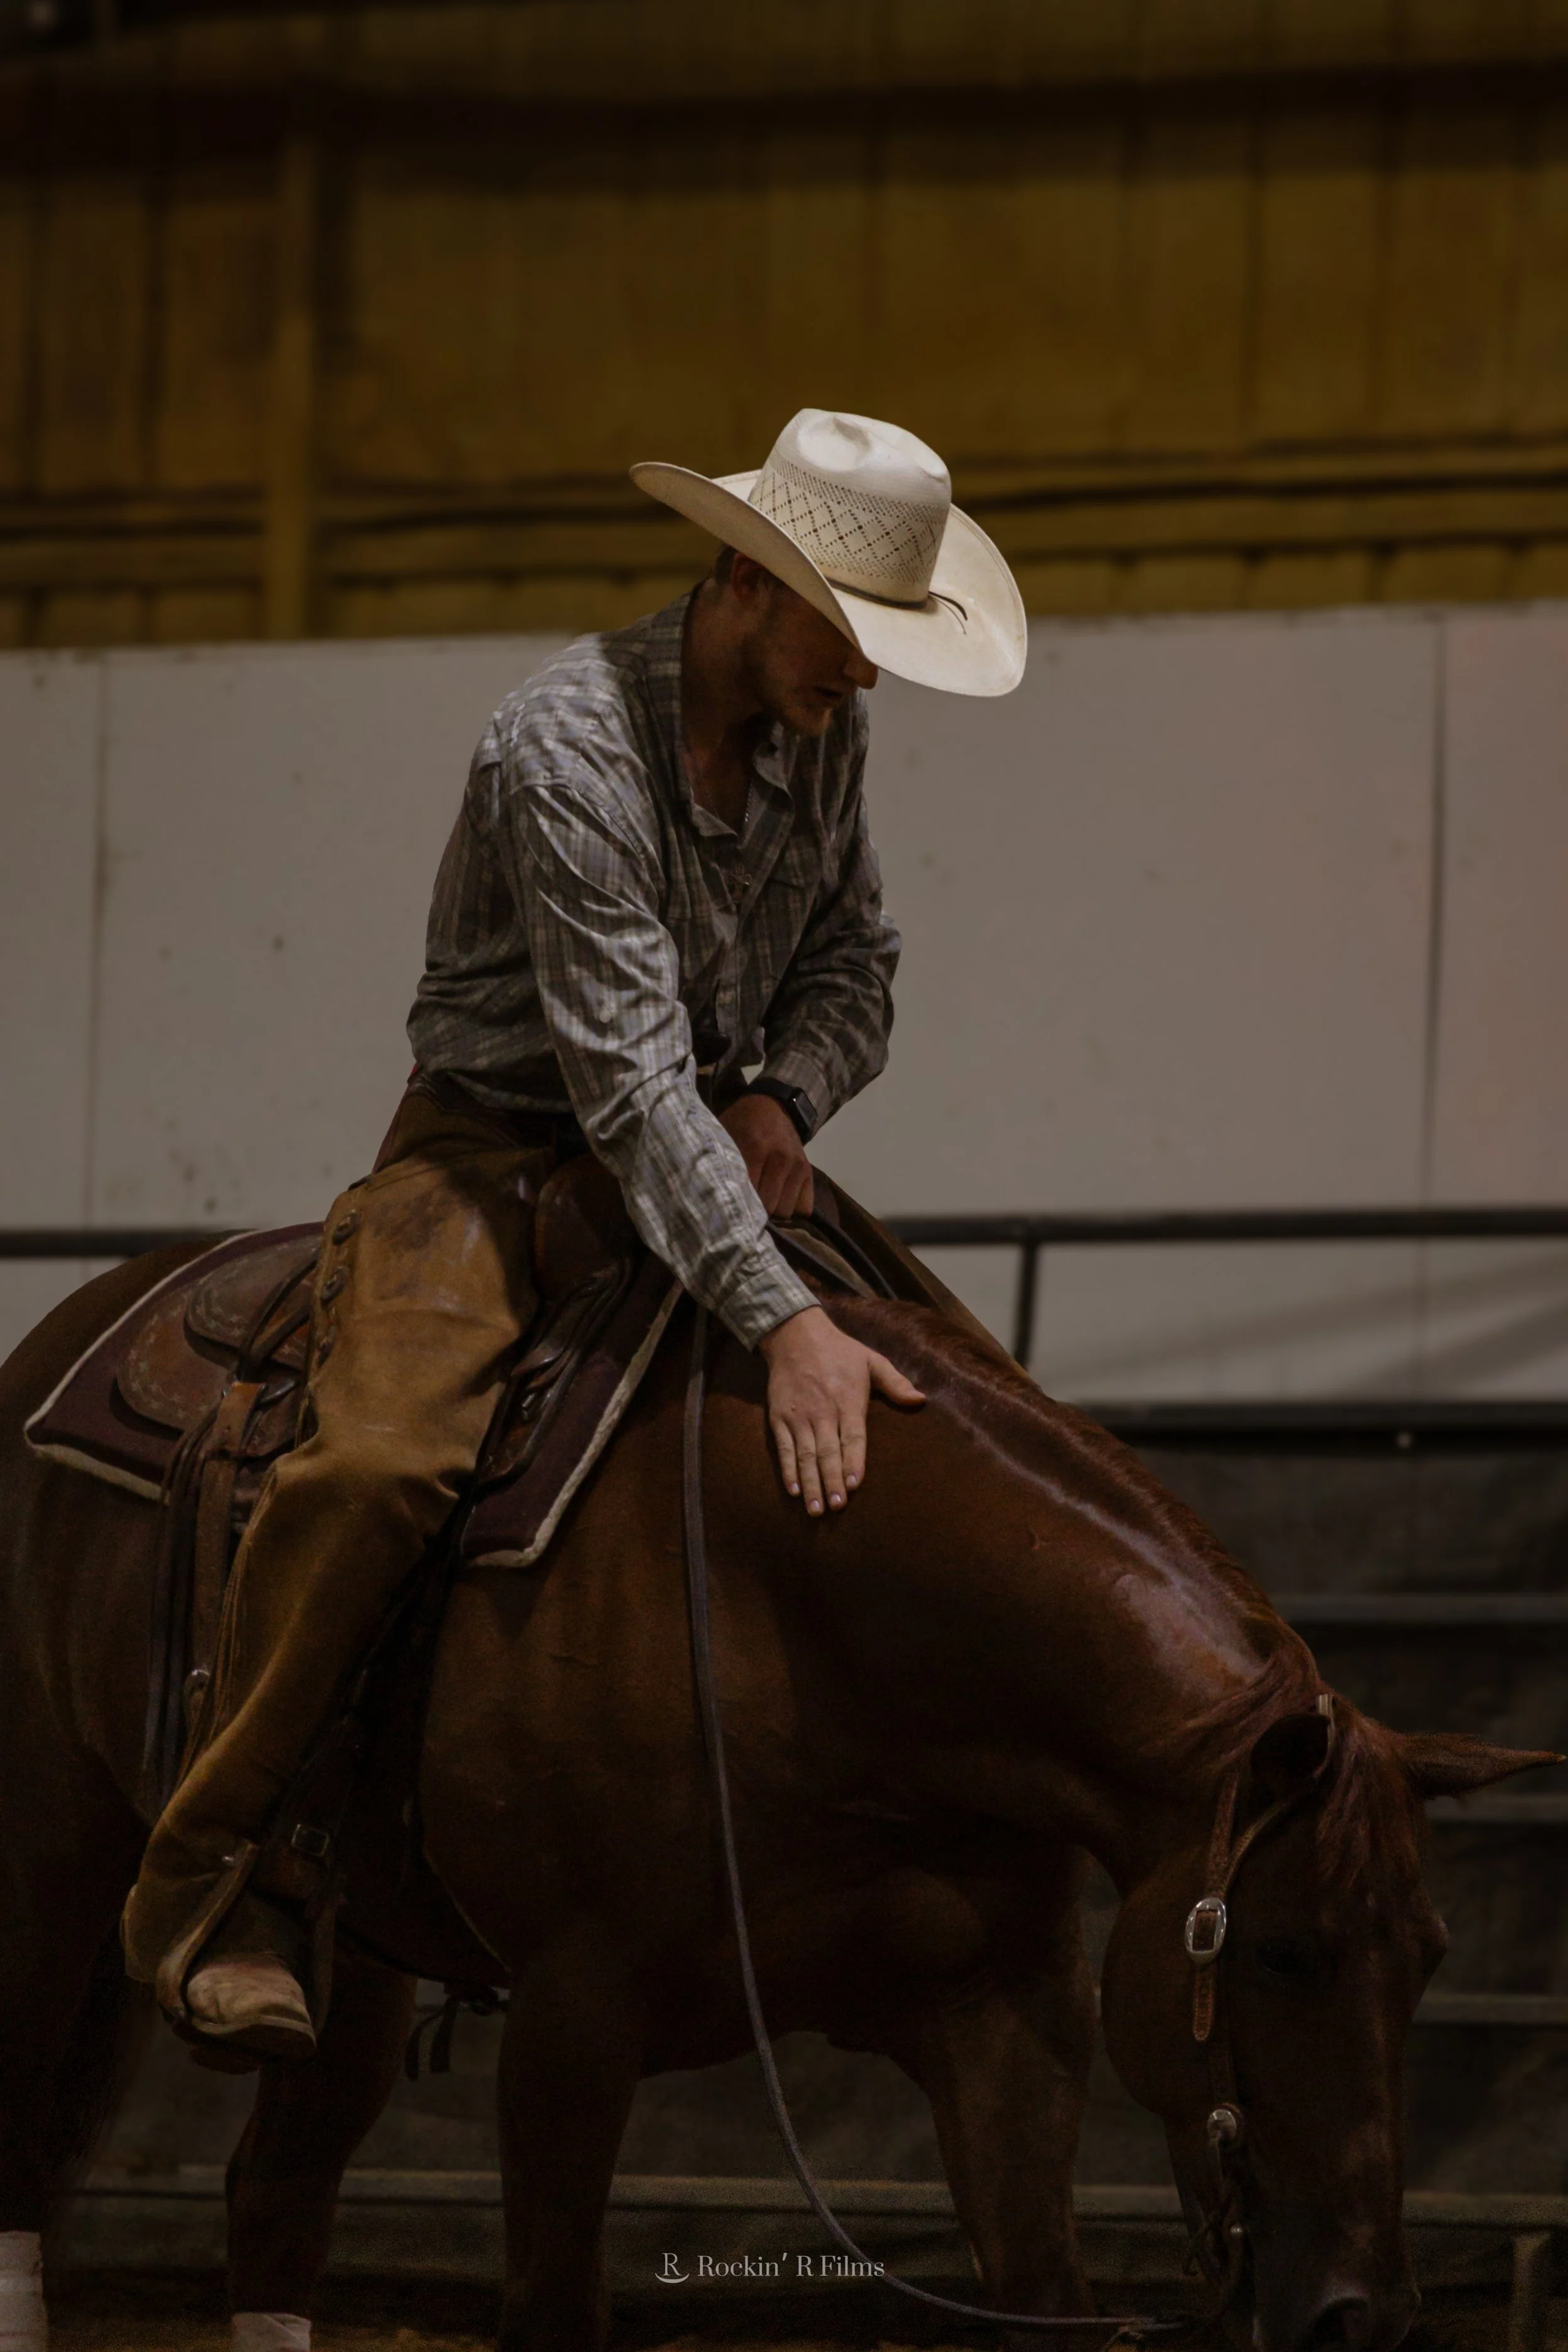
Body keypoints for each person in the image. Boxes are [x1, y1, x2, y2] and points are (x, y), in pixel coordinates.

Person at [120, 407, 1028, 2061]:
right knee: (382, 1463)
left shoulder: (820, 729)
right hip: (489, 1158)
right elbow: (619, 1083)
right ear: (749, 584)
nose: (875, 677)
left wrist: (789, 1105)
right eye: (854, 632)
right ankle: (215, 1870)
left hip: (708, 1134)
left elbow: (859, 965)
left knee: (960, 1388)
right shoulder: (565, 745)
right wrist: (782, 1320)